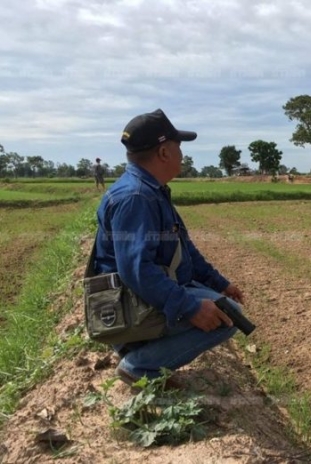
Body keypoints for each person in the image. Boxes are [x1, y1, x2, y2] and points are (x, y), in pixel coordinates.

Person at [92, 109, 246, 389]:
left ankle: (144, 349)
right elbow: (136, 271)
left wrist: (220, 283)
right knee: (228, 315)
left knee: (223, 304)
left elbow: (184, 249)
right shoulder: (136, 197)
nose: (182, 155)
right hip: (126, 305)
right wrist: (190, 308)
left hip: (137, 298)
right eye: (179, 147)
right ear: (164, 152)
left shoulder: (151, 190)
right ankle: (141, 365)